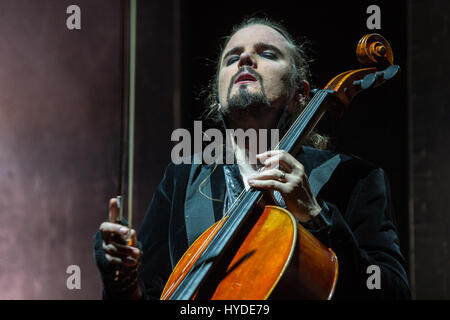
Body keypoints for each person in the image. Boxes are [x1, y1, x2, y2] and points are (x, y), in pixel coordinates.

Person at [94, 17, 410, 300]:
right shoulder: (182, 177)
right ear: (217, 99)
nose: (245, 58)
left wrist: (316, 217)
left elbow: (392, 291)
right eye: (232, 58)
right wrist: (122, 281)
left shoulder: (354, 177)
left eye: (267, 54)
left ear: (300, 92)